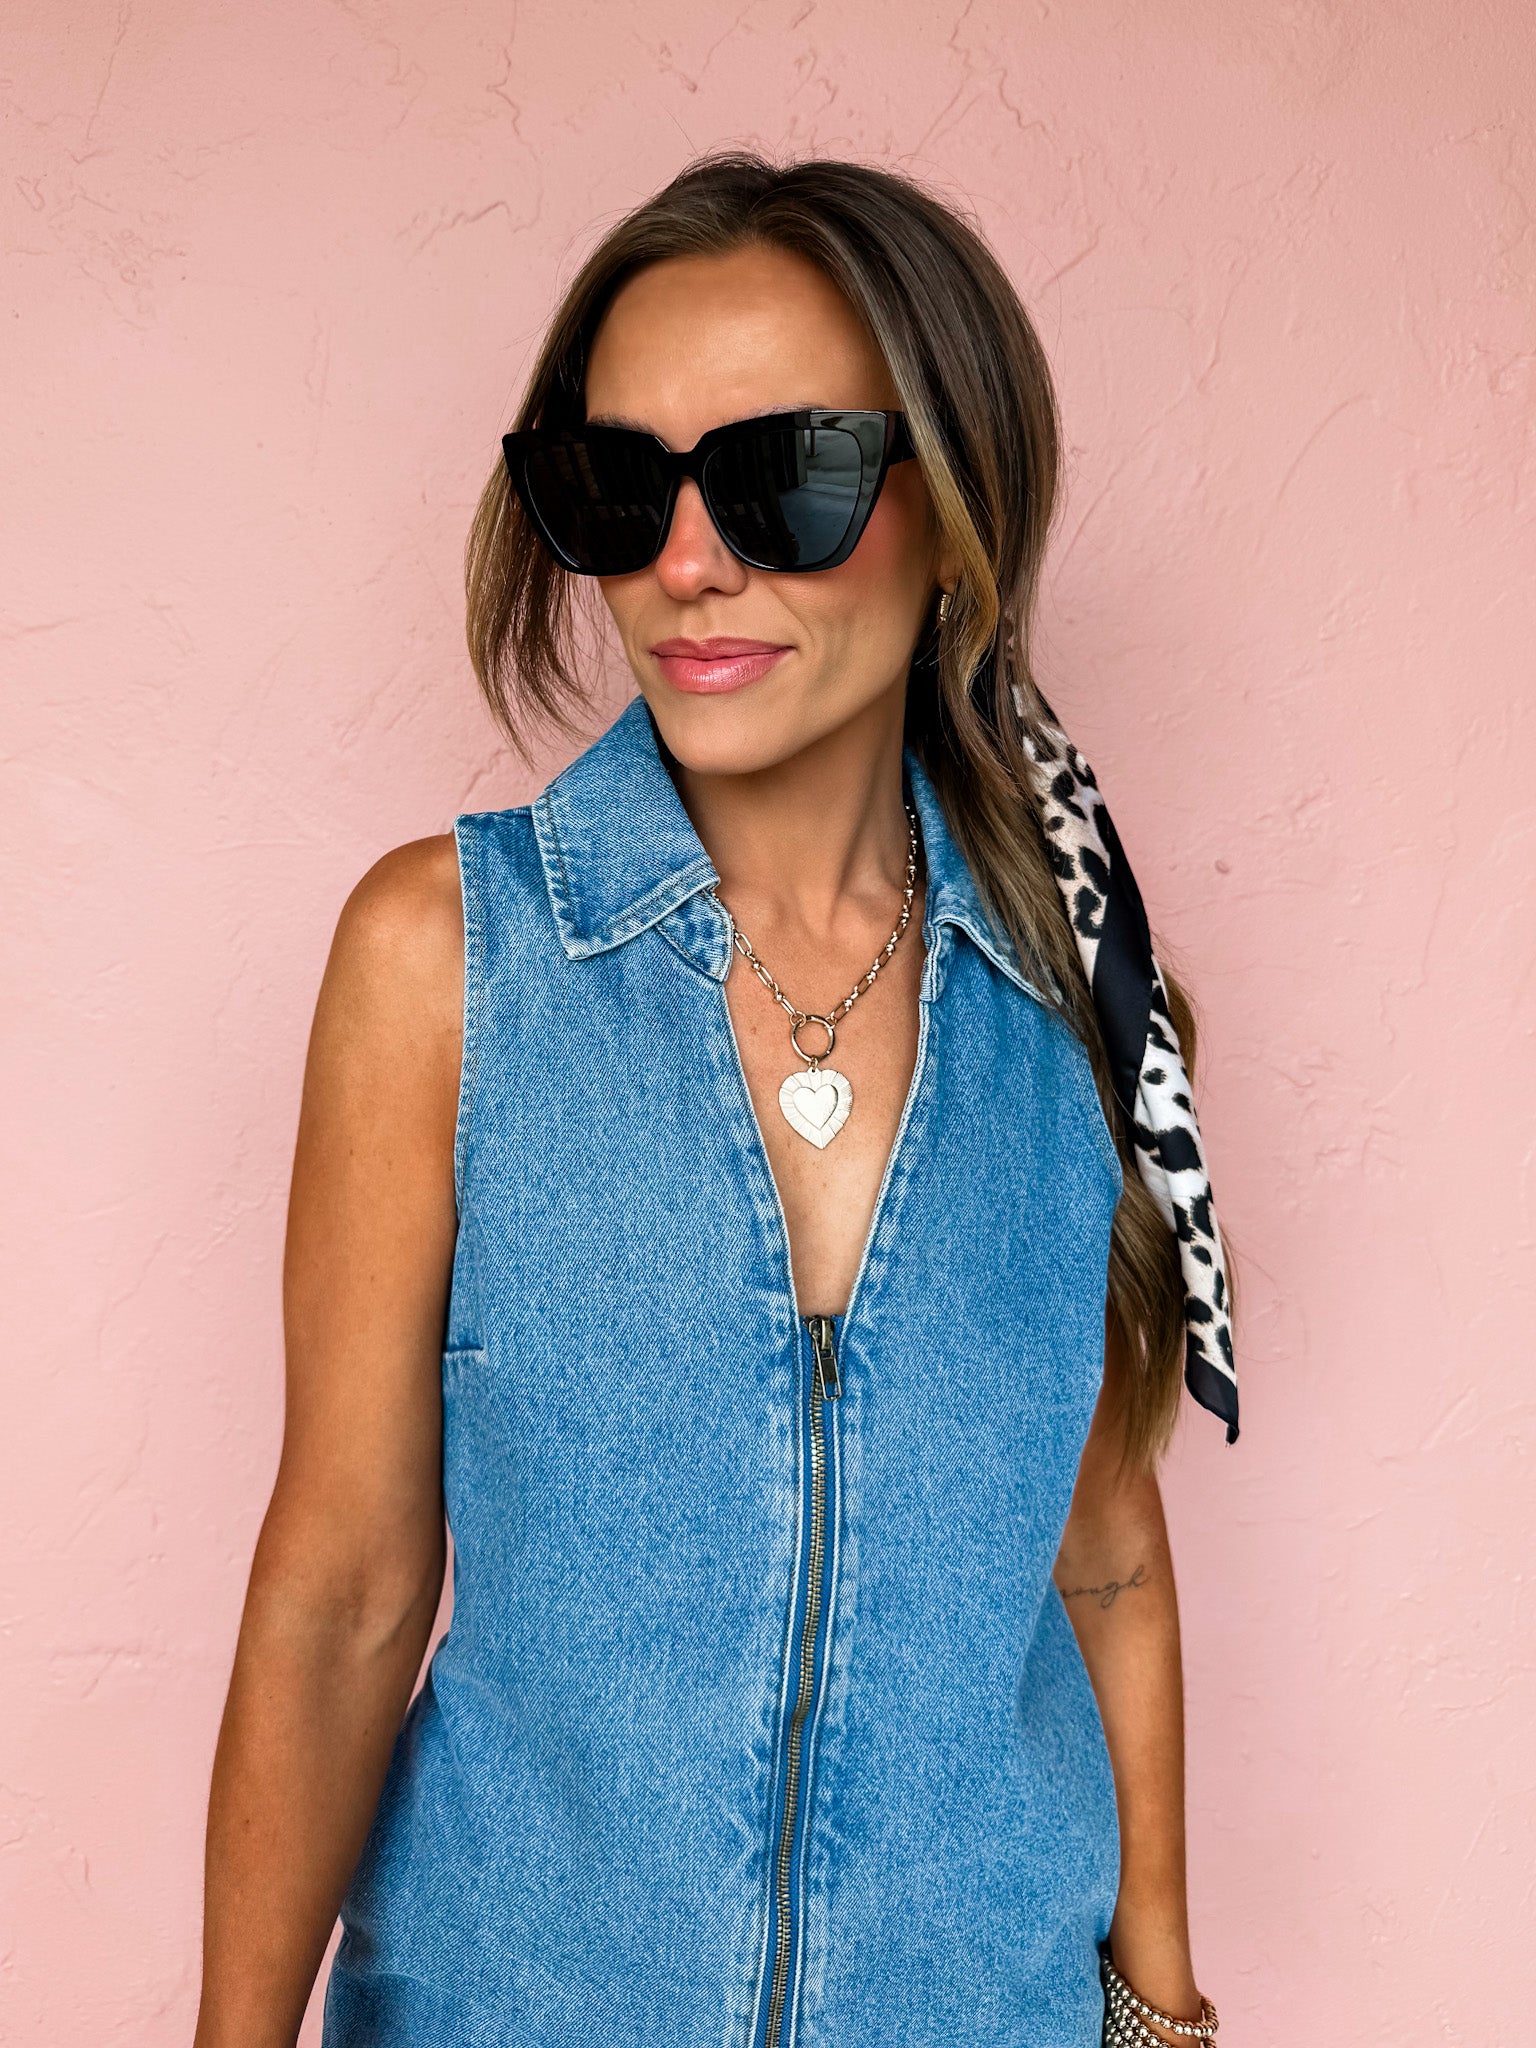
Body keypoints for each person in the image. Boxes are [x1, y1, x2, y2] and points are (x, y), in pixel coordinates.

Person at [195, 151, 1239, 2048]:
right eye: (617, 485)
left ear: (959, 511)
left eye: (787, 478)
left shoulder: (1080, 1015)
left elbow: (1100, 1555)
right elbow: (344, 1588)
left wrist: (1160, 2012)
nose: (688, 563)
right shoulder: (446, 964)